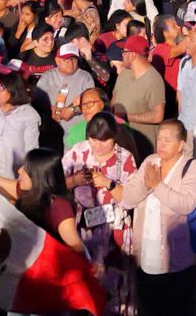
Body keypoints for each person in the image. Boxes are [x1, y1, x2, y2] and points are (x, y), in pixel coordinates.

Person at [121, 119, 196, 316]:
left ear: (181, 145)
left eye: (168, 140)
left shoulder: (191, 167)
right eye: (159, 139)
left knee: (176, 308)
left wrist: (157, 185)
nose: (161, 144)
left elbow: (186, 204)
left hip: (176, 258)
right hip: (146, 255)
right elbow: (128, 198)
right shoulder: (150, 161)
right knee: (148, 306)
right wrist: (147, 184)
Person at [62, 111, 137, 314]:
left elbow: (132, 198)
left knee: (117, 280)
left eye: (105, 140)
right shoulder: (77, 153)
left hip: (116, 228)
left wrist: (108, 183)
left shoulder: (125, 158)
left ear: (115, 136)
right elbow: (56, 184)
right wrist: (74, 181)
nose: (98, 145)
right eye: (94, 139)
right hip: (86, 227)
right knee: (87, 278)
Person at [112, 34, 167, 152]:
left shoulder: (154, 80)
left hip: (143, 146)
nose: (122, 55)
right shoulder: (124, 74)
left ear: (131, 55)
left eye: (124, 52)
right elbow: (115, 98)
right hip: (122, 143)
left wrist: (127, 117)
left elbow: (158, 116)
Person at [38, 41, 96, 136]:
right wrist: (49, 109)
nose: (71, 62)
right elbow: (37, 100)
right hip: (51, 131)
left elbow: (90, 103)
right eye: (66, 59)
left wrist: (72, 111)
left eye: (74, 59)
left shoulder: (85, 77)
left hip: (76, 132)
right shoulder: (47, 77)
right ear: (57, 60)